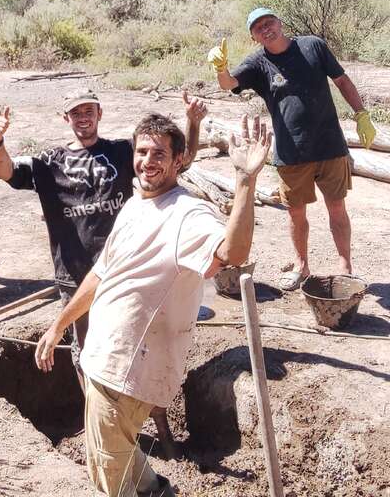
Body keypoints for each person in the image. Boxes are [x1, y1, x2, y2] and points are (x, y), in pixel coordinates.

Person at [35, 113, 273, 497]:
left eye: (159, 153)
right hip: (101, 358)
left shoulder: (187, 214)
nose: (148, 161)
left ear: (180, 160)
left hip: (129, 368)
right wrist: (58, 325)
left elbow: (232, 251)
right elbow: (100, 273)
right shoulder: (134, 205)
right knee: (112, 463)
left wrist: (245, 181)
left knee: (111, 475)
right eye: (142, 151)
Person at [0, 88, 207, 457]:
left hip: (127, 273)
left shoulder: (124, 152)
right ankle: (101, 432)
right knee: (86, 353)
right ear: (66, 119)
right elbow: (7, 172)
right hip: (74, 277)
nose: (83, 118)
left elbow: (179, 160)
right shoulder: (49, 162)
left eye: (89, 110)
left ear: (100, 114)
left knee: (141, 351)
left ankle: (164, 435)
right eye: (76, 113)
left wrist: (192, 123)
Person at [207, 8, 377, 290]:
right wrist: (220, 68)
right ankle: (301, 266)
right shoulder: (258, 63)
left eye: (269, 22)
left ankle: (345, 265)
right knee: (296, 213)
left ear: (280, 23)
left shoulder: (313, 45)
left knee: (337, 207)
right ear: (253, 37)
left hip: (330, 146)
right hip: (291, 154)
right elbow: (229, 84)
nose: (266, 29)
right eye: (258, 28)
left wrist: (361, 114)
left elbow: (342, 80)